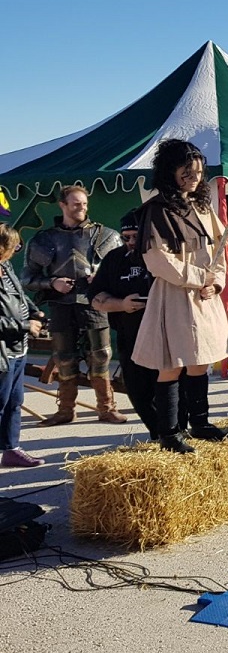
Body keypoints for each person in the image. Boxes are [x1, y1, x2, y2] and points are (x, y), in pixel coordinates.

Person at [132, 140, 228, 453]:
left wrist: (215, 283)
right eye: (186, 171)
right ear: (170, 171)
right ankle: (169, 432)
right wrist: (199, 278)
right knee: (172, 364)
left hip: (204, 297)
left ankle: (199, 422)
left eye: (198, 172)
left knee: (201, 361)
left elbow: (219, 250)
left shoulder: (204, 208)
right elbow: (158, 260)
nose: (194, 177)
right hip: (175, 295)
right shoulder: (156, 210)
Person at [20, 184, 124, 425]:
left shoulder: (106, 236)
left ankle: (106, 408)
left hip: (95, 303)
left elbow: (121, 273)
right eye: (76, 203)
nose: (82, 208)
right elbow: (27, 278)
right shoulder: (44, 240)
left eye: (84, 204)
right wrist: (52, 282)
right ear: (63, 205)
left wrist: (101, 278)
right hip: (61, 305)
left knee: (100, 356)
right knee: (64, 358)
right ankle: (66, 411)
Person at [88, 212, 159, 440]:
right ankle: (158, 432)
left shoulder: (160, 256)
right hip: (130, 334)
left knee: (168, 388)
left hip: (162, 333)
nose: (130, 242)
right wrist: (122, 304)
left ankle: (172, 431)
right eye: (125, 236)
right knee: (138, 391)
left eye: (135, 236)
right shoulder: (115, 258)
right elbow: (95, 296)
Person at [0, 225, 47, 468]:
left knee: (14, 401)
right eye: (12, 246)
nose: (15, 251)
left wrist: (35, 312)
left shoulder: (5, 267)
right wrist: (22, 324)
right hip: (2, 351)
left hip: (17, 347)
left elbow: (19, 295)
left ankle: (11, 448)